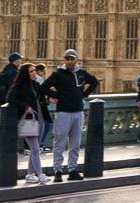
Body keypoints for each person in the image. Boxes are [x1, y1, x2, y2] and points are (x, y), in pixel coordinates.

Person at [42, 50, 99, 180]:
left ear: (76, 60)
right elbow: (43, 87)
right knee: (59, 143)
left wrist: (84, 94)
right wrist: (57, 96)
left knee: (75, 144)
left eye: (72, 59)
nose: (69, 61)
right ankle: (58, 171)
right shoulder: (58, 74)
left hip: (78, 112)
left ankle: (72, 169)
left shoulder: (81, 74)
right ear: (64, 60)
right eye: (67, 59)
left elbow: (95, 82)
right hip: (63, 112)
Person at [7, 62, 45, 184]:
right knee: (35, 149)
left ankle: (29, 174)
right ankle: (40, 174)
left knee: (35, 149)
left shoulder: (34, 85)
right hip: (28, 120)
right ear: (25, 74)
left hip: (39, 118)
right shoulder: (19, 87)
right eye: (31, 71)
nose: (34, 73)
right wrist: (25, 106)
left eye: (34, 71)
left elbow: (42, 96)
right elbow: (10, 99)